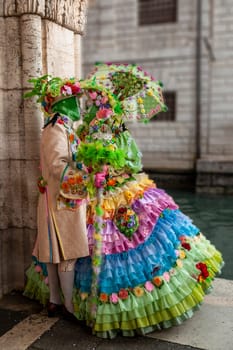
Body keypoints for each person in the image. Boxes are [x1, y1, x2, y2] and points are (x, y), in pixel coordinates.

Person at [24, 64, 223, 338]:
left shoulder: (97, 127)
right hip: (74, 196)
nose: (87, 105)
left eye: (95, 100)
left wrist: (107, 166)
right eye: (85, 100)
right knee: (65, 251)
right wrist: (88, 171)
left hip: (98, 192)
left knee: (76, 250)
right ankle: (63, 302)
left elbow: (126, 160)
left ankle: (65, 302)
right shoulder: (65, 129)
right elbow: (65, 163)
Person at [24, 77, 89, 318]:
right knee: (65, 251)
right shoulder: (56, 128)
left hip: (61, 198)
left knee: (55, 252)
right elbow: (56, 165)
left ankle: (55, 302)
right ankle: (68, 307)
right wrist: (84, 173)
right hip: (61, 199)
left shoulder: (63, 126)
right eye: (73, 100)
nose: (77, 104)